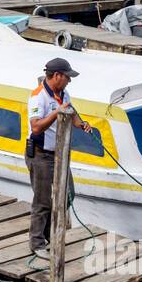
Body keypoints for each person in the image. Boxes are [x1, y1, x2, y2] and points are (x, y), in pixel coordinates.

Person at [26, 56, 93, 260]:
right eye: (67, 77)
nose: (69, 81)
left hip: (59, 154)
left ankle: (48, 233)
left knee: (68, 193)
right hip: (41, 154)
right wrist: (57, 113)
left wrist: (82, 124)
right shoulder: (38, 97)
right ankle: (36, 242)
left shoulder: (63, 93)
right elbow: (36, 126)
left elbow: (71, 113)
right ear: (56, 76)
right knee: (43, 200)